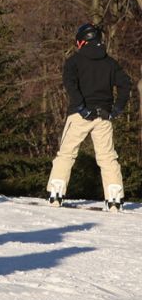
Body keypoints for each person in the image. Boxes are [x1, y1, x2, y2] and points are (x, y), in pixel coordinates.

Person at [45, 23, 131, 210]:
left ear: (82, 41)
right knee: (108, 157)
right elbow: (126, 85)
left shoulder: (74, 61)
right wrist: (117, 109)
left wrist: (80, 106)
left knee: (66, 153)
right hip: (104, 116)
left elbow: (70, 85)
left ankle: (56, 192)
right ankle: (114, 198)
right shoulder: (110, 63)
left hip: (80, 115)